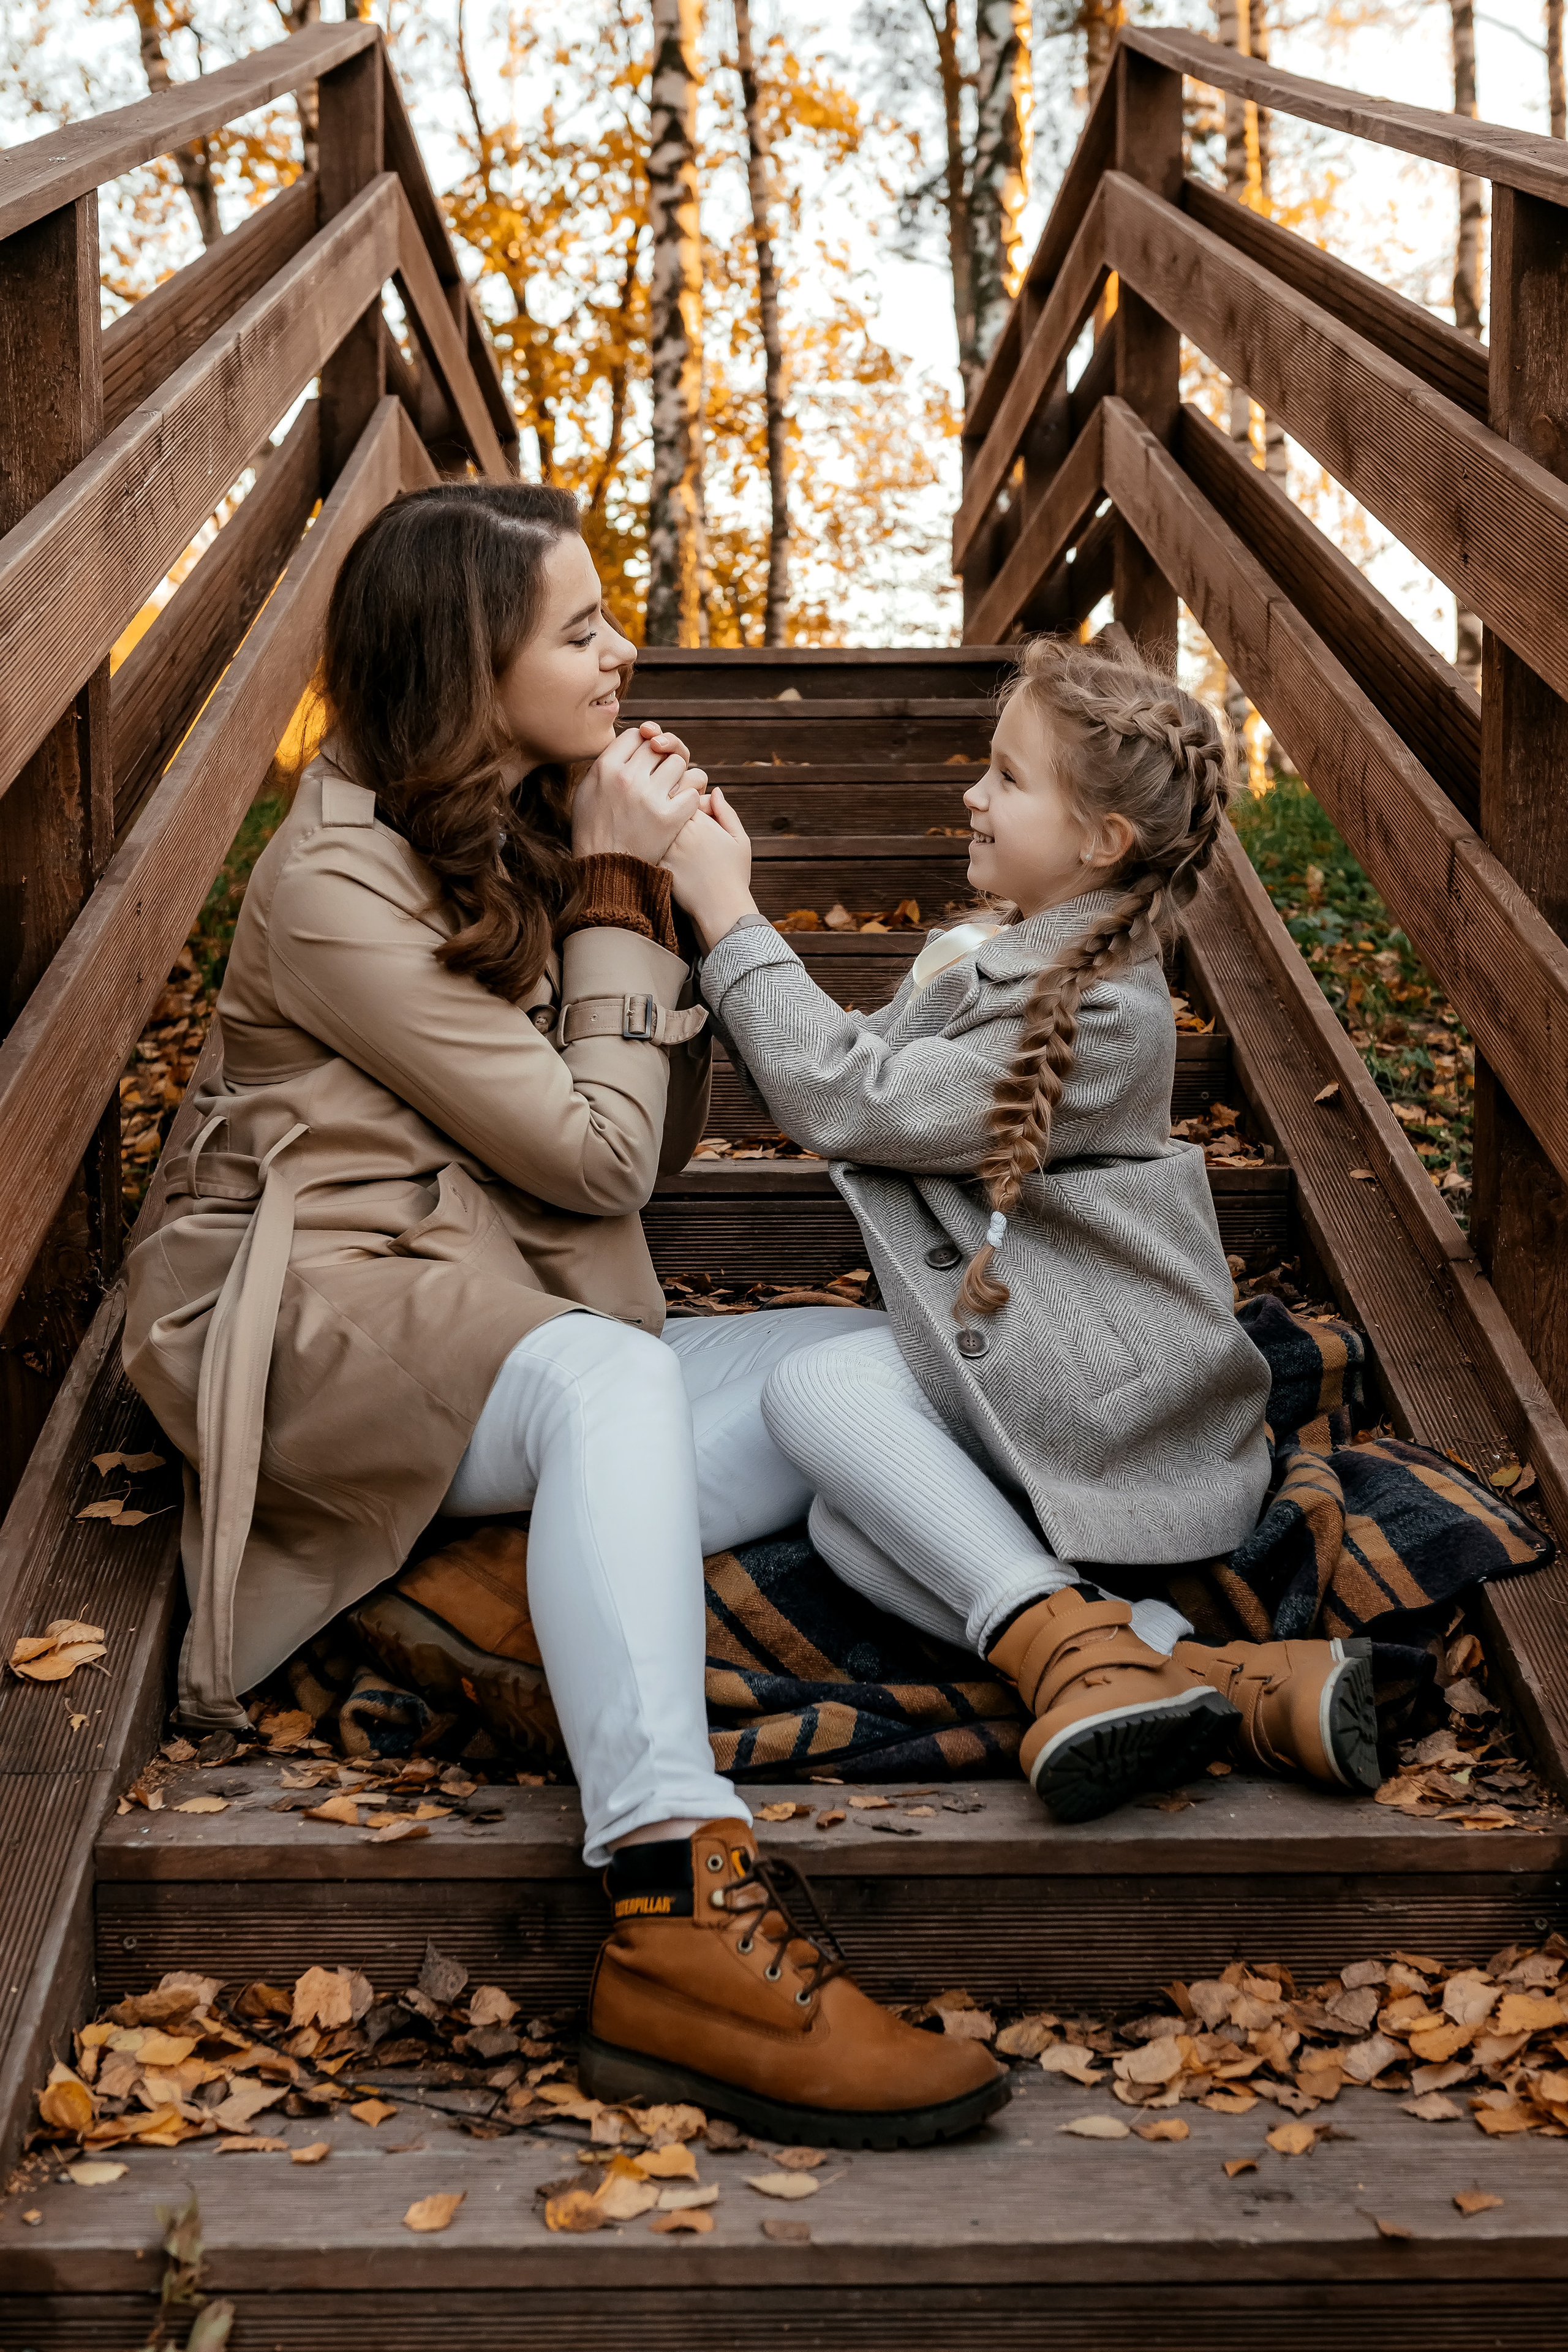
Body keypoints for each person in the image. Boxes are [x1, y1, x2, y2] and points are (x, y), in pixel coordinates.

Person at [121, 482, 1006, 2149]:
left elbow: (636, 1157)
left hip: (501, 1323)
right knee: (610, 1380)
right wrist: (614, 888)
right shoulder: (332, 889)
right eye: (580, 629)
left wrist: (663, 896)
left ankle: (1069, 1639)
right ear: (472, 663)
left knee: (899, 1352)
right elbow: (599, 1164)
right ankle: (677, 1898)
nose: (624, 653)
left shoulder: (513, 838)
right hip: (324, 1317)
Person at [664, 633, 1383, 1822]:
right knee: (851, 1522)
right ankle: (1196, 1676)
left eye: (1005, 775)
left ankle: (1086, 1652)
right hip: (1038, 1365)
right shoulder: (994, 960)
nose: (969, 792)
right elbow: (849, 1067)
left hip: (1109, 1407)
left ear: (1100, 841)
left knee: (814, 1398)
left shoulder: (1103, 1013)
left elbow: (848, 1100)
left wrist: (728, 909)